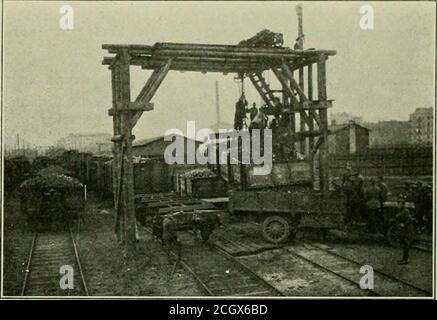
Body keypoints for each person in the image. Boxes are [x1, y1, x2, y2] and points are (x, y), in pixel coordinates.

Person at [395, 196, 417, 265]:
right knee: (404, 244)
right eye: (398, 203)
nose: (398, 205)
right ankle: (404, 259)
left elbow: (410, 219)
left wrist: (404, 224)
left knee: (406, 244)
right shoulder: (401, 210)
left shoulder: (406, 211)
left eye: (400, 203)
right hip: (404, 229)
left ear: (403, 204)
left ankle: (406, 259)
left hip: (408, 229)